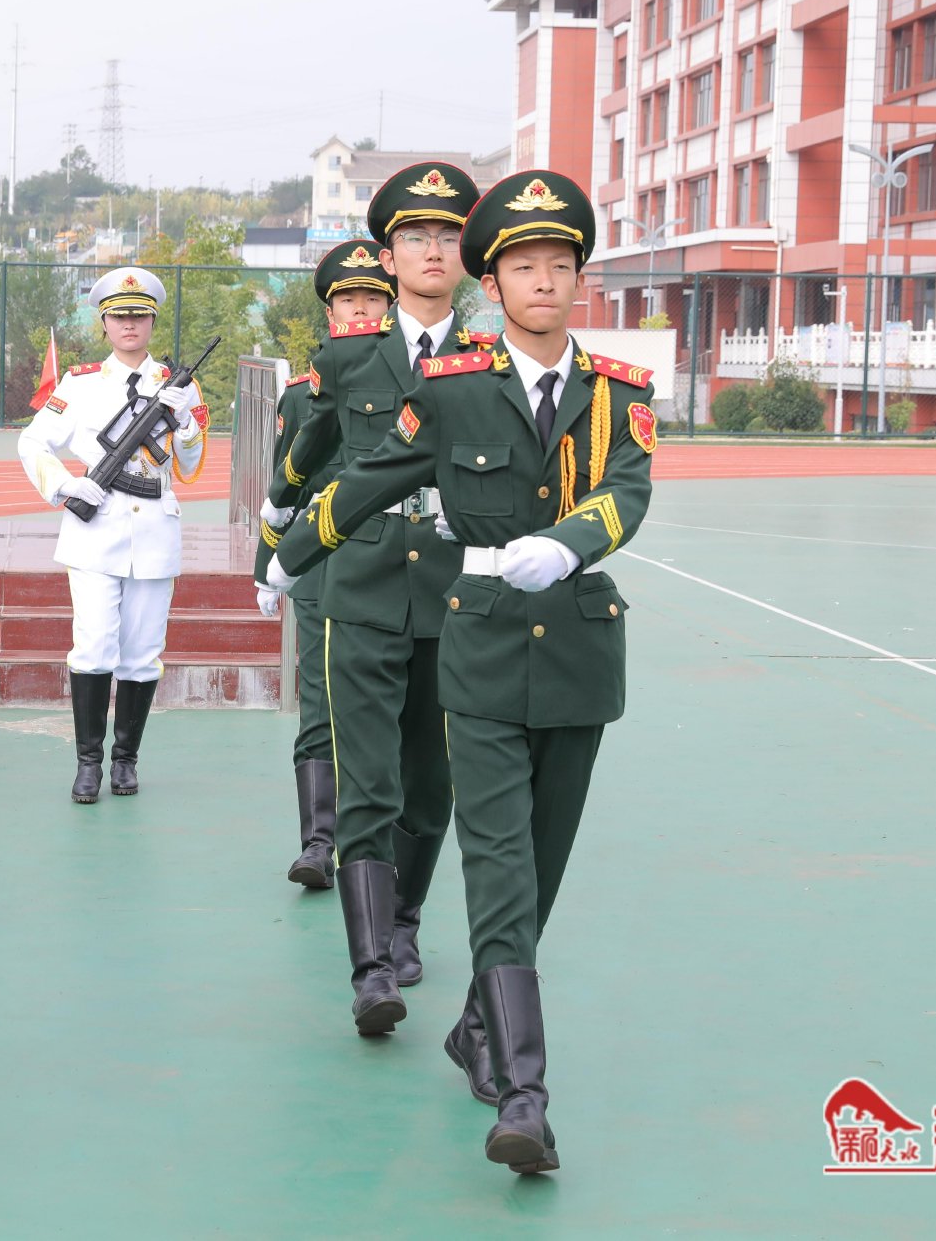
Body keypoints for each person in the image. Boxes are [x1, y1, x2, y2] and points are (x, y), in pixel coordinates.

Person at [265, 169, 654, 1174]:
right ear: (497, 278)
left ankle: (478, 1023)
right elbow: (365, 480)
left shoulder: (617, 394)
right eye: (521, 264)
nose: (540, 279)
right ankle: (522, 1093)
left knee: (541, 862)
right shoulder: (452, 392)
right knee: (495, 863)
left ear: (577, 280)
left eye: (556, 264)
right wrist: (288, 551)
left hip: (573, 647)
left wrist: (567, 544)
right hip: (474, 640)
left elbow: (624, 492)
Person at [264, 162, 482, 1035]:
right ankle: (370, 969)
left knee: (431, 787)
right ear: (388, 260)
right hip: (357, 588)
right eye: (414, 238)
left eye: (447, 236)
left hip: (456, 594)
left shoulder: (491, 365)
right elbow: (301, 467)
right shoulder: (349, 360)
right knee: (369, 782)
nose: (432, 250)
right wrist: (282, 540)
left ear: (468, 256)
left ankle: (405, 921)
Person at [15, 267, 206, 804]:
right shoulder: (77, 385)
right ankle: (89, 762)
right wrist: (67, 486)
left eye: (139, 315)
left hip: (153, 529)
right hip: (94, 527)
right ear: (103, 323)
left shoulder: (176, 385)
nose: (129, 324)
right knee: (94, 646)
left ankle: (127, 761)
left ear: (151, 321)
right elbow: (33, 445)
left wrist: (186, 421)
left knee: (142, 653)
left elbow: (189, 466)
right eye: (119, 316)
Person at [252, 239, 394, 890]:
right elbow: (284, 489)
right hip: (318, 567)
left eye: (372, 298)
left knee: (390, 710)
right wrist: (267, 566)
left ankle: (380, 846)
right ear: (330, 311)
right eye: (348, 300)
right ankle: (317, 840)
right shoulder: (301, 398)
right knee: (320, 705)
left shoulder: (424, 385)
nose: (360, 310)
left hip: (394, 567)